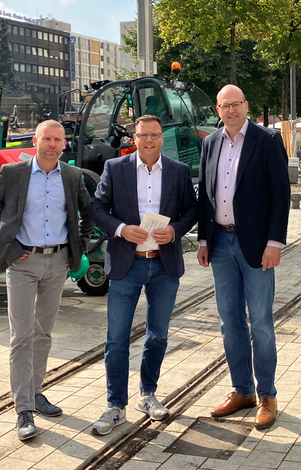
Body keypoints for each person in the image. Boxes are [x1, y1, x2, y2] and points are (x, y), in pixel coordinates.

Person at [0, 119, 95, 441]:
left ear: (64, 144)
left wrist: (80, 245)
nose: (53, 144)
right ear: (36, 140)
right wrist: (7, 247)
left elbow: (90, 210)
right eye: (47, 139)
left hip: (57, 263)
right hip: (23, 263)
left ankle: (37, 392)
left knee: (43, 333)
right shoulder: (14, 173)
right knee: (21, 336)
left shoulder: (72, 176)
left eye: (58, 140)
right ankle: (23, 408)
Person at [88, 115, 198, 435]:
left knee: (158, 336)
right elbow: (97, 209)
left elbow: (191, 210)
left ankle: (148, 394)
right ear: (133, 138)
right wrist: (122, 229)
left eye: (154, 135)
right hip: (127, 263)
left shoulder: (177, 172)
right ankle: (115, 405)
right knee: (117, 338)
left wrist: (175, 231)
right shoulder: (115, 168)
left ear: (162, 138)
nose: (149, 140)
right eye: (142, 135)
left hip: (164, 266)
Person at [197, 85, 290, 430]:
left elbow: (281, 195)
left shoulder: (267, 141)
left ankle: (267, 394)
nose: (231, 110)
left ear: (246, 106)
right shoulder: (210, 142)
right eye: (225, 105)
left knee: (261, 323)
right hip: (220, 242)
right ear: (218, 110)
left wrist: (275, 242)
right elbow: (204, 196)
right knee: (229, 322)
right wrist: (204, 239)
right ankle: (242, 391)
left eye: (236, 104)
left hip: (256, 246)